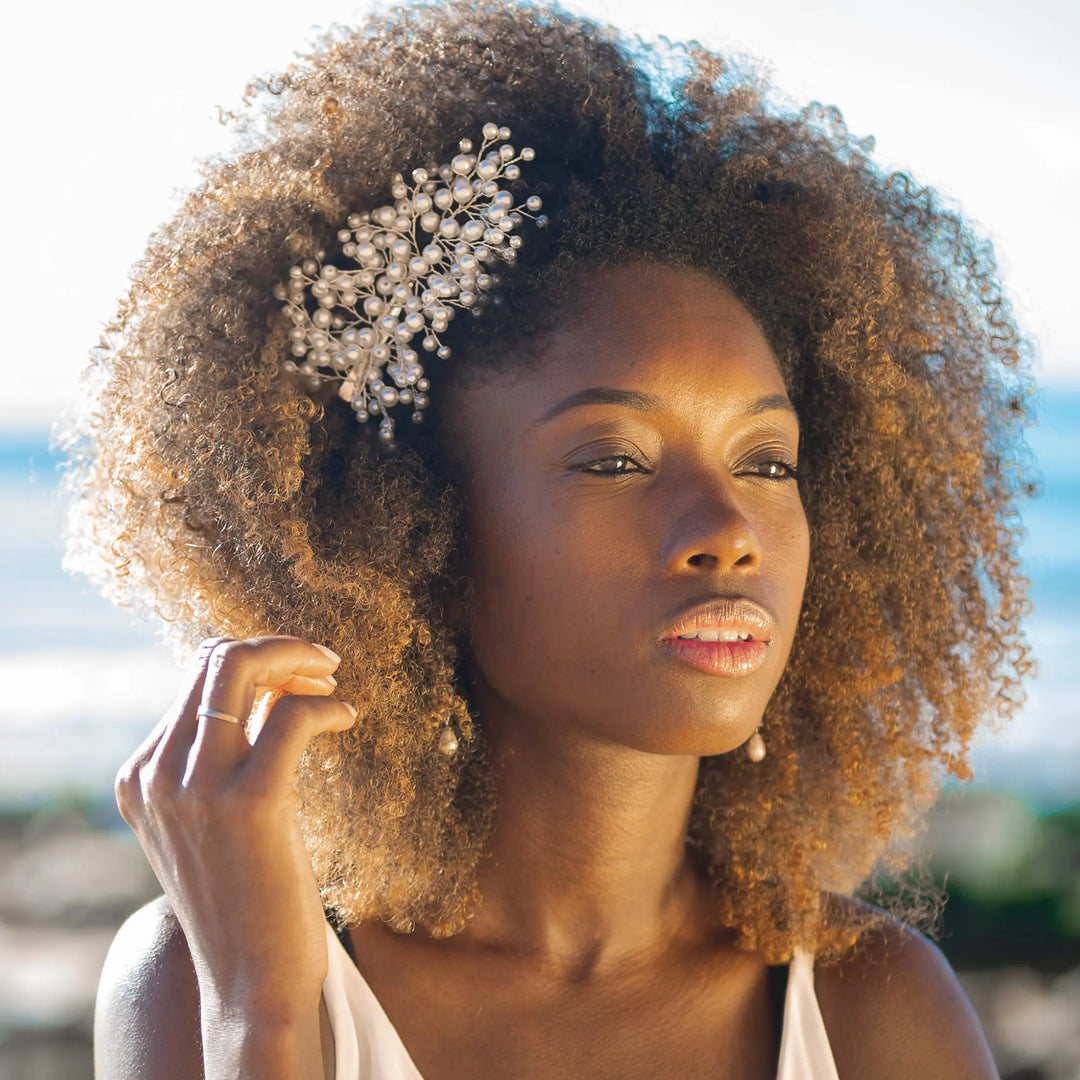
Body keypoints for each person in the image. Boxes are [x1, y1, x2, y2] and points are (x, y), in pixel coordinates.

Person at [65, 1, 1034, 1076]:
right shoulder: (203, 978)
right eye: (614, 459)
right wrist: (263, 1017)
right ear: (418, 532)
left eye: (767, 462)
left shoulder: (878, 1010)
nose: (727, 532)